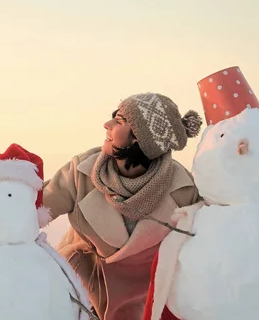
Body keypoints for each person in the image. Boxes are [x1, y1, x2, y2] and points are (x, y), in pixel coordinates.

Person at [42, 92, 204, 320]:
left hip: (149, 300)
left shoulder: (184, 190)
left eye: (118, 121)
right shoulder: (81, 172)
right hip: (80, 291)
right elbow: (33, 210)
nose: (106, 125)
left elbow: (205, 244)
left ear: (140, 138)